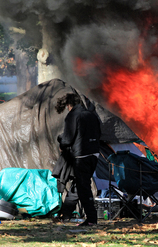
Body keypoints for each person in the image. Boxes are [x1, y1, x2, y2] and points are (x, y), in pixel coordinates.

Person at [55, 93, 101, 226]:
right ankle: (65, 214)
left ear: (69, 105)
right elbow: (99, 133)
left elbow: (68, 138)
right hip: (94, 154)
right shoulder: (92, 114)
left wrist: (62, 144)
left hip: (81, 156)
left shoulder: (73, 115)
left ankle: (92, 219)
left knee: (83, 187)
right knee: (79, 184)